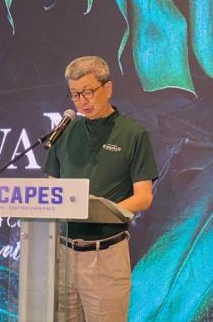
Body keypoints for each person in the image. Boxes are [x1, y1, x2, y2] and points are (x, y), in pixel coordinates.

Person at [43, 56, 159, 322]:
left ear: (108, 88)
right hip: (62, 254)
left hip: (105, 255)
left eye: (88, 92)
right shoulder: (65, 133)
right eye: (75, 95)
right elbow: (50, 190)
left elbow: (143, 197)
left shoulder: (133, 134)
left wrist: (98, 211)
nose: (82, 101)